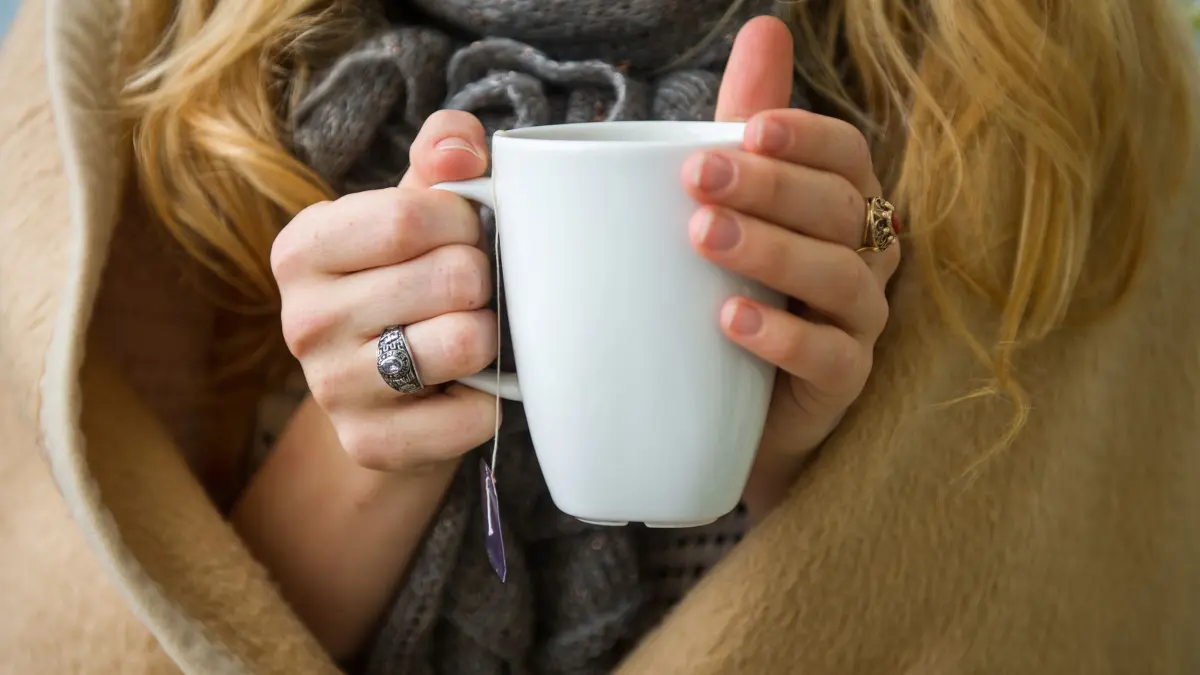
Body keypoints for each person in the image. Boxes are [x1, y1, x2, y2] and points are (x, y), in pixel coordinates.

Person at [1, 0, 1198, 673]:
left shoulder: (1058, 78)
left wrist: (815, 459)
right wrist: (390, 416)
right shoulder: (127, 62)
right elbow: (111, 638)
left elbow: (1062, 607)